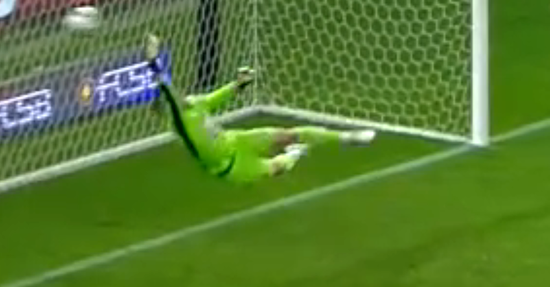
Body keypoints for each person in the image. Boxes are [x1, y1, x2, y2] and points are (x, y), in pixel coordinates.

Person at [143, 33, 377, 183]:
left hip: (237, 141)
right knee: (275, 168)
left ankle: (348, 137)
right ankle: (294, 154)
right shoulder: (180, 124)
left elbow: (218, 98)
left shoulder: (195, 103)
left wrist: (239, 84)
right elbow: (166, 86)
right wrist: (153, 62)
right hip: (232, 168)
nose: (178, 95)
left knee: (289, 134)